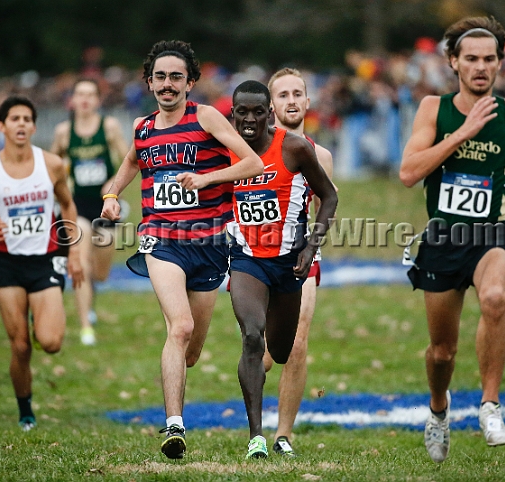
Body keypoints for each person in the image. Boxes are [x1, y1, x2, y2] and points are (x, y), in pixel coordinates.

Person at [99, 40, 263, 460]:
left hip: (209, 244)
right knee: (181, 327)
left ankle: (177, 376)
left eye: (176, 77)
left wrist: (207, 179)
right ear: (149, 82)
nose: (167, 84)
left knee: (190, 353)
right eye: (159, 77)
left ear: (190, 81)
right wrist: (112, 194)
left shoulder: (205, 117)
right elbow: (132, 164)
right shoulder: (143, 128)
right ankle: (174, 427)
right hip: (162, 240)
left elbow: (253, 164)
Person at [399, 16, 505, 463]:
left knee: (495, 297)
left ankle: (490, 406)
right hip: (444, 235)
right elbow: (408, 173)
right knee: (442, 351)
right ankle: (439, 410)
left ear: (500, 63)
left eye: (489, 59)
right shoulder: (431, 110)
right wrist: (462, 133)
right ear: (454, 63)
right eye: (471, 59)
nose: (481, 67)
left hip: (492, 231)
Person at [228, 80, 338, 459]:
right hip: (246, 259)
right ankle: (258, 435)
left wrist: (311, 246)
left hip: (291, 261)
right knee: (252, 338)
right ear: (232, 113)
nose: (250, 119)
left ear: (269, 113)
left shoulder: (297, 148)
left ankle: (283, 431)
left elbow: (330, 195)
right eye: (242, 111)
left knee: (283, 348)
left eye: (258, 112)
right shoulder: (226, 150)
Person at [0, 96, 84, 431]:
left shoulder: (51, 164)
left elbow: (68, 206)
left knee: (50, 342)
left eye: (26, 119)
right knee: (19, 345)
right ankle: (25, 409)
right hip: (6, 263)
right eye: (14, 119)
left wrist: (73, 253)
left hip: (45, 259)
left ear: (34, 126)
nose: (21, 124)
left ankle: (41, 311)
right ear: (1, 126)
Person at [260, 68, 334, 457]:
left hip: (300, 259)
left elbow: (325, 206)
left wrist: (310, 251)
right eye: (283, 94)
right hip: (256, 257)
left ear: (307, 102)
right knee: (268, 350)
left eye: (297, 94)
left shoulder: (320, 155)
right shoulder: (252, 149)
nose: (291, 100)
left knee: (299, 339)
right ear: (271, 105)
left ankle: (283, 435)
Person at [51, 78, 129, 345]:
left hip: (105, 206)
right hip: (77, 205)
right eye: (79, 94)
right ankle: (86, 326)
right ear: (72, 99)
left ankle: (92, 291)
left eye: (90, 94)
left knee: (101, 271)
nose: (84, 99)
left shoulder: (109, 127)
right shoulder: (63, 131)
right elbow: (53, 163)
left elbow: (130, 159)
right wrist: (61, 174)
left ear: (97, 100)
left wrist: (113, 184)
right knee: (81, 258)